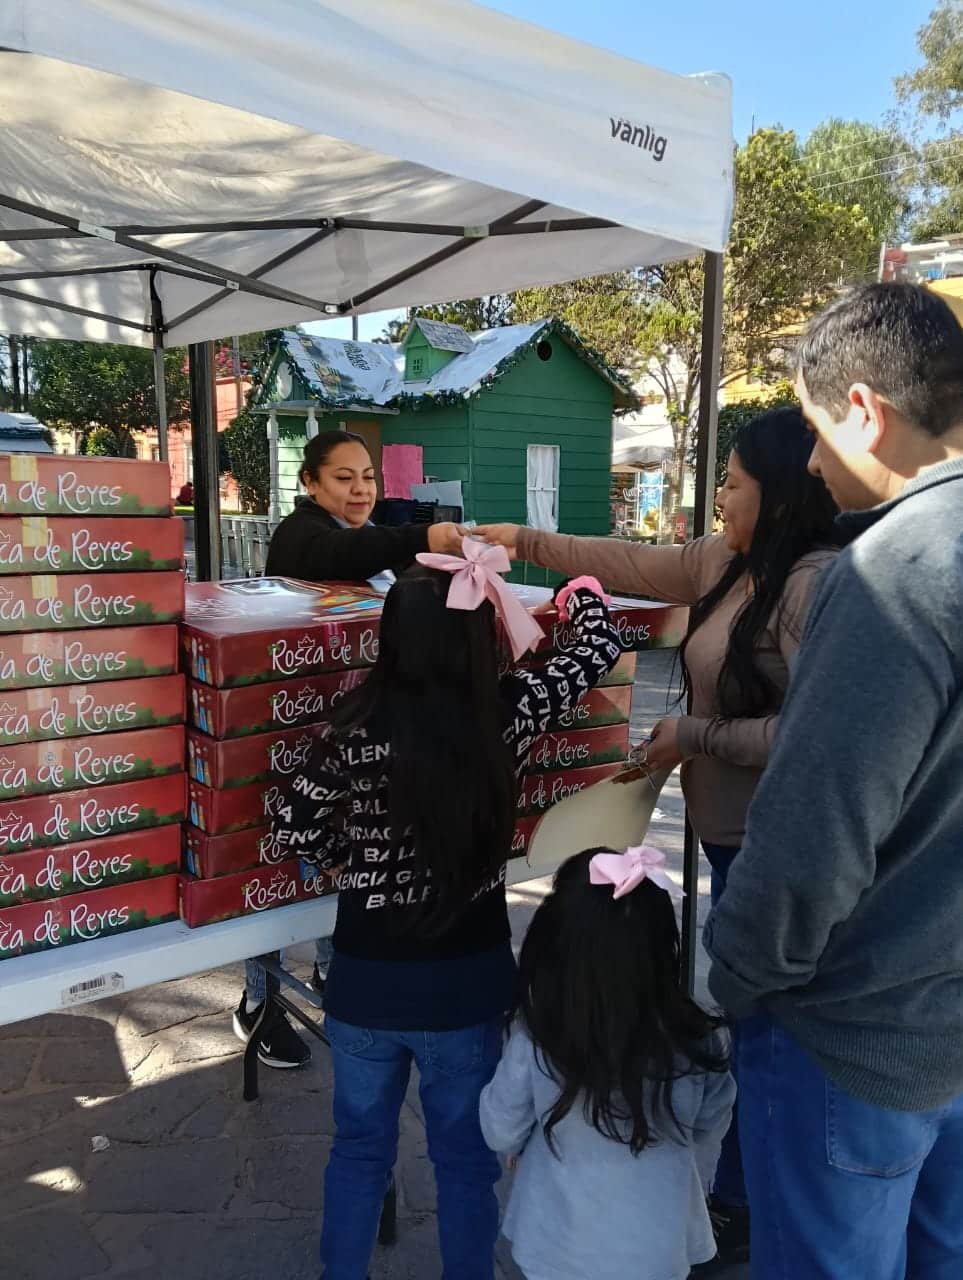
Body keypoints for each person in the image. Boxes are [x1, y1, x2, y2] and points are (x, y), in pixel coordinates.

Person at [476, 405, 842, 1263]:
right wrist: (517, 539)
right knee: (747, 1020)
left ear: (781, 494)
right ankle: (736, 1197)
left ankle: (751, 1202)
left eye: (735, 481)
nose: (720, 495)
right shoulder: (726, 560)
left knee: (768, 1029)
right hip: (724, 836)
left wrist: (694, 737)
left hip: (779, 845)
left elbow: (820, 734)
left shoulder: (814, 585)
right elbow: (625, 561)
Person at [271, 545, 622, 1280]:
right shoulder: (510, 711)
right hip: (468, 985)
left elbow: (291, 822)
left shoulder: (349, 726)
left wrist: (345, 860)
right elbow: (595, 651)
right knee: (466, 1162)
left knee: (358, 1151)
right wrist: (580, 592)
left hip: (365, 981)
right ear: (480, 638)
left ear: (388, 638)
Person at [705, 282, 963, 1279]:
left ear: (865, 409)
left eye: (814, 431)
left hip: (853, 1039)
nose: (809, 462)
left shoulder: (892, 570)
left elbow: (813, 837)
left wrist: (735, 974)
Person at [233, 429, 463, 1069]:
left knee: (337, 864)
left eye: (368, 477)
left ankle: (334, 982)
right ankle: (260, 1004)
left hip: (341, 730)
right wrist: (425, 538)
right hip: (281, 732)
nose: (361, 489)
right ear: (309, 483)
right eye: (343, 478)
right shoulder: (300, 534)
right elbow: (342, 551)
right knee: (275, 874)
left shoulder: (361, 544)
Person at [479, 844, 734, 1280]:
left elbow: (498, 1128)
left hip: (557, 1245)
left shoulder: (538, 1039)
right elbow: (710, 1124)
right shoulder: (700, 1044)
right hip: (659, 1245)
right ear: (661, 951)